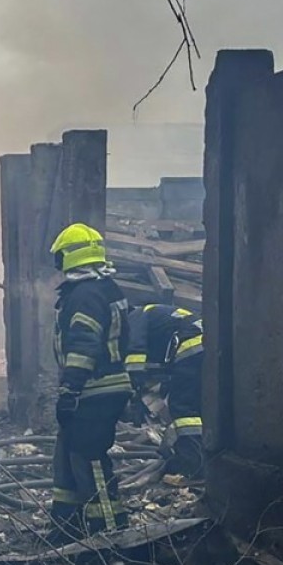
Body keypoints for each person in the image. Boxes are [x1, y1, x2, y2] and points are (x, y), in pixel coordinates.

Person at [48, 223, 134, 541]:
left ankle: (110, 530)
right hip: (99, 388)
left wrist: (70, 389)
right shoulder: (103, 289)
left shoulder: (85, 295)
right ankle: (67, 524)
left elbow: (84, 345)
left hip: (96, 389)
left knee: (90, 457)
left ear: (67, 256)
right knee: (69, 453)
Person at [125, 304, 204, 477]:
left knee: (183, 410)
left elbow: (135, 354)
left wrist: (133, 387)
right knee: (200, 406)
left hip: (190, 348)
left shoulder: (134, 317)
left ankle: (192, 464)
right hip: (208, 347)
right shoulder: (158, 314)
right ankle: (205, 457)